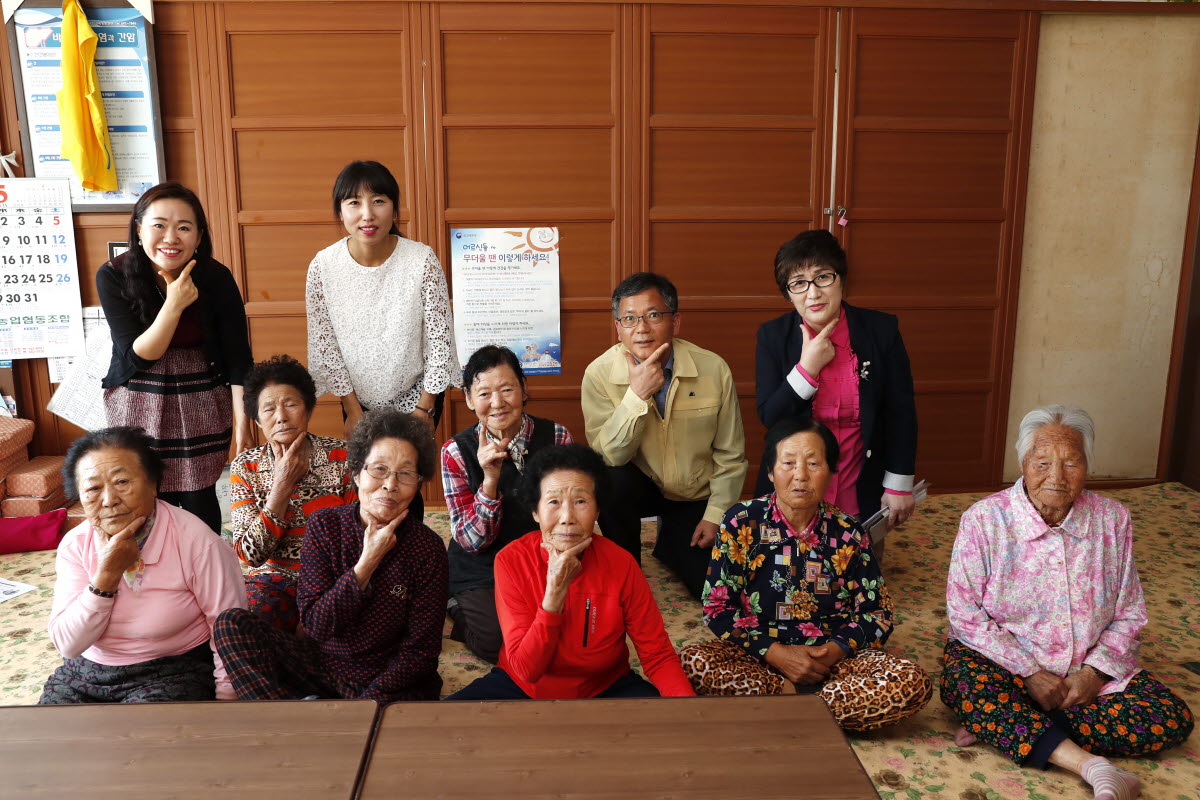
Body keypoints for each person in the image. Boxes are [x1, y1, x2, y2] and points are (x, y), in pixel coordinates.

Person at [942, 405, 1193, 799]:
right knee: (963, 684)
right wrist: (1028, 672)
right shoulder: (984, 520)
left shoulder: (1113, 519)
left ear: (1087, 466)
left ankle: (1009, 725)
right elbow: (963, 613)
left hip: (1084, 671)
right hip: (1004, 665)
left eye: (1071, 463)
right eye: (1042, 462)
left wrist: (1092, 674)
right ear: (1023, 462)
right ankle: (1092, 767)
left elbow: (1129, 613)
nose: (1056, 477)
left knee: (1169, 717)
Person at [679, 417, 930, 730]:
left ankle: (782, 706)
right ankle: (812, 708)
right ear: (770, 471)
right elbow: (717, 608)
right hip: (761, 657)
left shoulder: (847, 531)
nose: (800, 475)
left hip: (833, 665)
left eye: (813, 463)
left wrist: (829, 655)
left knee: (911, 682)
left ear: (829, 471)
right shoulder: (740, 521)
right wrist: (778, 655)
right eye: (788, 463)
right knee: (694, 663)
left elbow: (877, 614)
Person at [214, 410, 447, 704]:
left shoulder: (427, 548)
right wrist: (365, 566)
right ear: (356, 474)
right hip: (324, 669)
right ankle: (299, 716)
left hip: (389, 682)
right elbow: (315, 625)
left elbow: (421, 653)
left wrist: (363, 706)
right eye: (379, 469)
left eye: (405, 473)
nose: (390, 484)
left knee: (409, 702)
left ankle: (314, 716)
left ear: (418, 483)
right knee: (231, 624)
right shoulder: (325, 526)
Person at [447, 444, 695, 700]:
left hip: (606, 687)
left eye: (581, 501)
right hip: (523, 688)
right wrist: (554, 594)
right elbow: (526, 669)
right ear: (535, 511)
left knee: (671, 729)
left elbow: (657, 656)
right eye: (553, 501)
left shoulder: (621, 563)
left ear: (598, 510)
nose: (567, 517)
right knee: (446, 723)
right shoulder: (511, 560)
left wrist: (688, 712)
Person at [40, 427, 247, 704]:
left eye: (122, 482)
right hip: (86, 673)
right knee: (48, 736)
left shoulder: (197, 541)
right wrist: (106, 576)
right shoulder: (75, 544)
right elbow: (69, 644)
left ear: (153, 484)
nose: (109, 500)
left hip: (172, 671)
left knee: (140, 741)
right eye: (92, 488)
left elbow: (229, 630)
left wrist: (226, 703)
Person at [96, 182, 253, 532]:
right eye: (159, 225)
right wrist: (175, 303)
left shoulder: (216, 277)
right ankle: (153, 580)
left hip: (202, 396)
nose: (171, 237)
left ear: (198, 236)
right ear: (138, 229)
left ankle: (207, 576)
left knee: (200, 499)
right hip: (137, 398)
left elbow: (238, 356)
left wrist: (244, 424)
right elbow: (140, 354)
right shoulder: (113, 275)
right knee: (144, 497)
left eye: (184, 227)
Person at [582, 272, 747, 598]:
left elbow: (731, 455)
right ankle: (625, 567)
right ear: (618, 328)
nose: (641, 328)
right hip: (639, 486)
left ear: (676, 321)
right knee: (609, 478)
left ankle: (671, 538)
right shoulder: (598, 374)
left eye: (653, 315)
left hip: (694, 492)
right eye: (629, 318)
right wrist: (637, 396)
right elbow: (610, 457)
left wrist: (715, 517)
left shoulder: (713, 369)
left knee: (713, 590)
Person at [755, 230, 917, 533]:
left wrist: (899, 484)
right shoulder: (772, 336)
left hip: (860, 488)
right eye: (799, 283)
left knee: (857, 577)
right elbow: (771, 418)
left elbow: (901, 413)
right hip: (794, 491)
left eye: (823, 277)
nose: (813, 293)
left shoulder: (881, 331)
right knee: (788, 577)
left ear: (841, 279)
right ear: (788, 293)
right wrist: (807, 369)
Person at [306, 159, 460, 441]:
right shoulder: (323, 266)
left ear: (394, 208)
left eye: (378, 201)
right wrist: (352, 410)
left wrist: (425, 409)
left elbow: (440, 341)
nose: (367, 214)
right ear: (340, 212)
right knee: (370, 480)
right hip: (356, 402)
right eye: (354, 202)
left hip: (419, 397)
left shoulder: (422, 260)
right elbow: (325, 344)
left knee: (408, 477)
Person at [441, 345, 573, 662]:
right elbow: (472, 541)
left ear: (524, 389)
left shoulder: (557, 437)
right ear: (470, 399)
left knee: (567, 628)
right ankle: (456, 605)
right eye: (484, 393)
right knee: (498, 644)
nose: (497, 403)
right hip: (483, 563)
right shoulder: (455, 452)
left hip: (541, 554)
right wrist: (490, 479)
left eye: (507, 389)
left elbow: (570, 514)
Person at [229, 354, 355, 632]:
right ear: (258, 421)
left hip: (334, 578)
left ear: (308, 410)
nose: (281, 417)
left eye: (290, 404)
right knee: (242, 623)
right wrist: (281, 486)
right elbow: (250, 555)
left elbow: (359, 535)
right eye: (269, 409)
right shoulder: (245, 467)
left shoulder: (342, 456)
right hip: (272, 582)